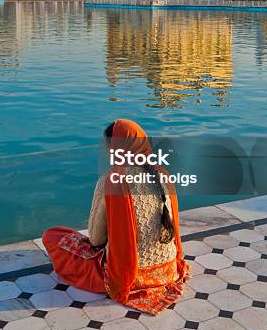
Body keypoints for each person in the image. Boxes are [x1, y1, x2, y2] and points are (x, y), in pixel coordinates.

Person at [42, 119, 189, 315]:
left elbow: (95, 239)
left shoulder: (110, 181)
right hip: (168, 272)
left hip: (128, 277)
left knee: (53, 235)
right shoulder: (162, 175)